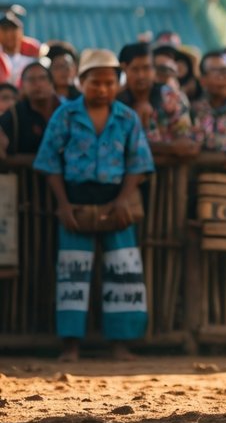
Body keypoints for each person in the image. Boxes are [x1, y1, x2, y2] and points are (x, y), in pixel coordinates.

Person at [33, 48, 155, 362]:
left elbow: (139, 163)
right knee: (72, 272)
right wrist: (62, 204)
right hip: (75, 202)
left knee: (123, 271)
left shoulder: (126, 117)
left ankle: (121, 344)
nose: (102, 89)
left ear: (117, 83)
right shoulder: (66, 114)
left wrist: (123, 199)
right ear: (81, 81)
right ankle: (71, 345)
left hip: (118, 202)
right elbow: (49, 161)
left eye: (109, 83)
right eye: (95, 83)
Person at [115, 42, 196, 159]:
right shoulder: (116, 102)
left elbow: (184, 144)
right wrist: (169, 148)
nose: (141, 75)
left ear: (154, 70)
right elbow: (120, 146)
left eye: (146, 68)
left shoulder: (172, 96)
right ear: (124, 69)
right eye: (135, 69)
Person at [0, 62, 61, 156]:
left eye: (42, 78)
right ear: (22, 86)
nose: (37, 84)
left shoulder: (66, 111)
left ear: (51, 83)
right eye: (31, 80)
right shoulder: (13, 116)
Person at [0, 4, 41, 84]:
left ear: (21, 31)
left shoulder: (33, 53)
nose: (9, 34)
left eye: (13, 29)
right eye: (5, 29)